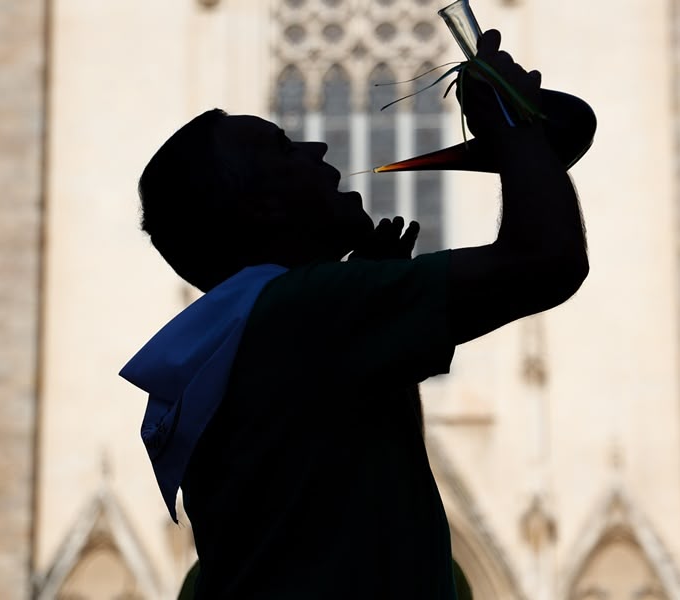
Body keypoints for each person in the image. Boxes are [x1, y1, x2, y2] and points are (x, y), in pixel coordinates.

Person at [120, 30, 588, 599]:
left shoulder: (249, 332)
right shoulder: (302, 312)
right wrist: (513, 125)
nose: (317, 149)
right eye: (285, 149)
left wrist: (385, 342)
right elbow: (548, 260)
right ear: (259, 206)